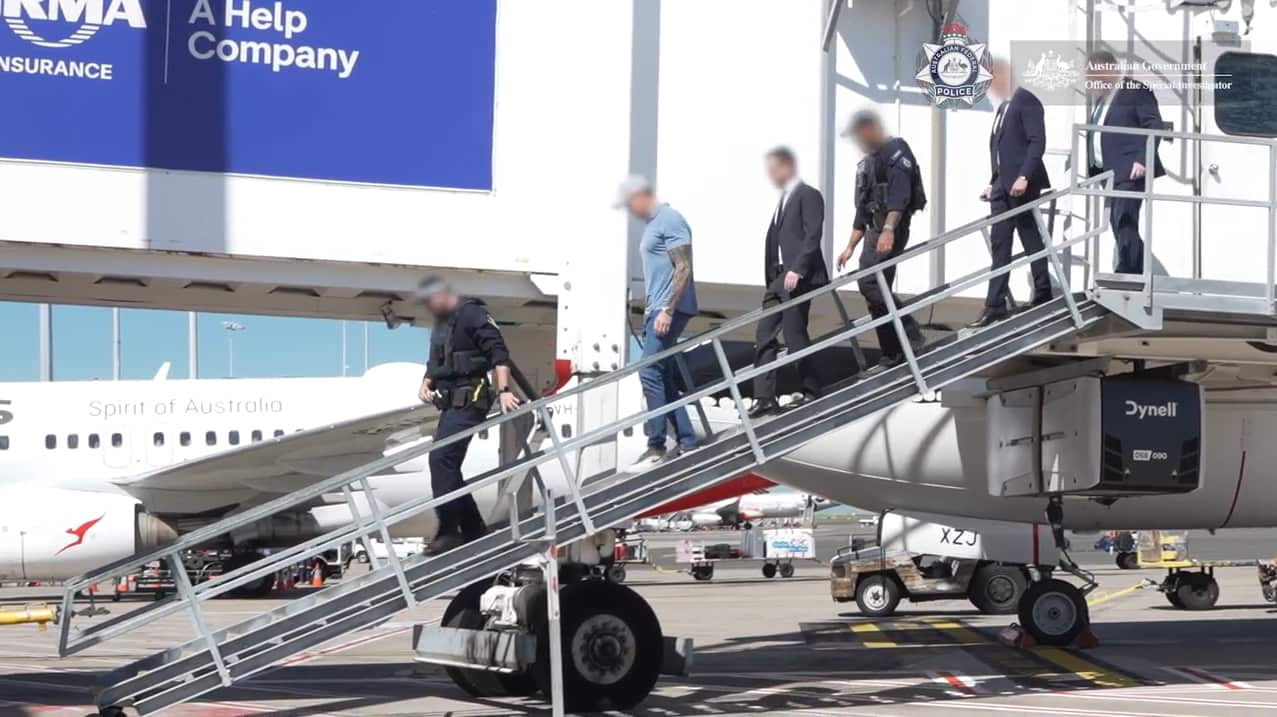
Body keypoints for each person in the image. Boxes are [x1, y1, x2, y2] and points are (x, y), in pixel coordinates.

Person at [416, 276, 520, 556]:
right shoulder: (441, 323)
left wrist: (504, 391)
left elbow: (499, 354)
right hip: (449, 402)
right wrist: (427, 382)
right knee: (447, 465)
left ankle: (449, 531)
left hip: (470, 398)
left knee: (441, 459)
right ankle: (473, 529)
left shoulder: (473, 314)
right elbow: (436, 361)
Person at [614, 175, 699, 473]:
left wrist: (666, 310)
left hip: (668, 308)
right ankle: (687, 441)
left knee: (649, 370)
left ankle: (656, 444)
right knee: (663, 375)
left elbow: (683, 266)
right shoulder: (654, 224)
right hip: (656, 308)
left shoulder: (670, 219)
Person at [835, 110, 926, 372]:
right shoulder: (871, 160)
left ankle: (910, 335)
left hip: (891, 228)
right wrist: (850, 246)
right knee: (874, 292)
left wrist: (888, 230)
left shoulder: (896, 151)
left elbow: (900, 194)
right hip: (875, 229)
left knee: (871, 283)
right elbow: (864, 207)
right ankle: (892, 353)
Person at [969, 58, 1054, 329]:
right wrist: (993, 181)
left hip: (1021, 185)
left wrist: (1024, 176)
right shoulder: (1004, 107)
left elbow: (1037, 141)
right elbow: (1001, 150)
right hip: (1002, 189)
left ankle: (1042, 292)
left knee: (1030, 239)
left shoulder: (1026, 100)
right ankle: (995, 305)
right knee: (1001, 245)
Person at [749, 147, 827, 419]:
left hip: (797, 276)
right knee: (764, 336)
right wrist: (773, 277)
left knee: (795, 335)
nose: (771, 176)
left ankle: (811, 389)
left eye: (773, 170)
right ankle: (764, 397)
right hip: (778, 278)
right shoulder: (783, 199)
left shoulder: (808, 195)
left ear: (787, 167)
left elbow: (813, 235)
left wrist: (798, 269)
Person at [1086, 49, 1165, 275]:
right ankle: (1133, 266)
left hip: (1130, 170)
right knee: (1117, 221)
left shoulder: (1135, 91)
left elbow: (1154, 125)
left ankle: (1129, 270)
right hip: (1108, 173)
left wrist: (1142, 159)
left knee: (1125, 219)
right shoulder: (1104, 99)